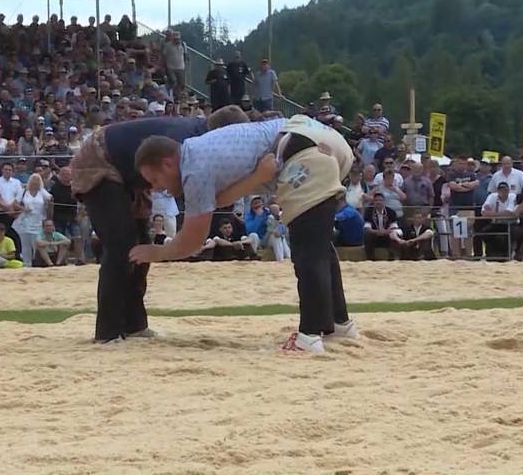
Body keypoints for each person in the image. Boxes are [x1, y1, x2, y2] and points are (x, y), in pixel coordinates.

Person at [130, 115, 358, 354]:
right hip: (315, 135)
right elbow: (222, 199)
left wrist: (155, 251)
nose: (156, 189)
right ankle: (338, 323)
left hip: (303, 150)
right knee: (317, 245)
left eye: (155, 180)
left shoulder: (193, 171)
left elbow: (192, 241)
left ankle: (309, 336)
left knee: (308, 250)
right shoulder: (200, 149)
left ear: (167, 163)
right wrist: (258, 176)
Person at [69, 110, 248, 344]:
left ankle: (134, 324)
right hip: (100, 159)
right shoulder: (188, 143)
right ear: (225, 134)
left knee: (142, 247)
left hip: (131, 174)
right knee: (121, 245)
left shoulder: (198, 142)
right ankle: (108, 331)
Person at [13, 174, 53, 267]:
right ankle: (26, 263)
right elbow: (15, 204)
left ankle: (36, 262)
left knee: (36, 243)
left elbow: (50, 198)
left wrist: (48, 203)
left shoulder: (42, 192)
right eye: (33, 179)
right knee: (25, 244)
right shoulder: (23, 191)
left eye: (37, 180)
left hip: (38, 221)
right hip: (25, 221)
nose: (35, 182)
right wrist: (23, 209)